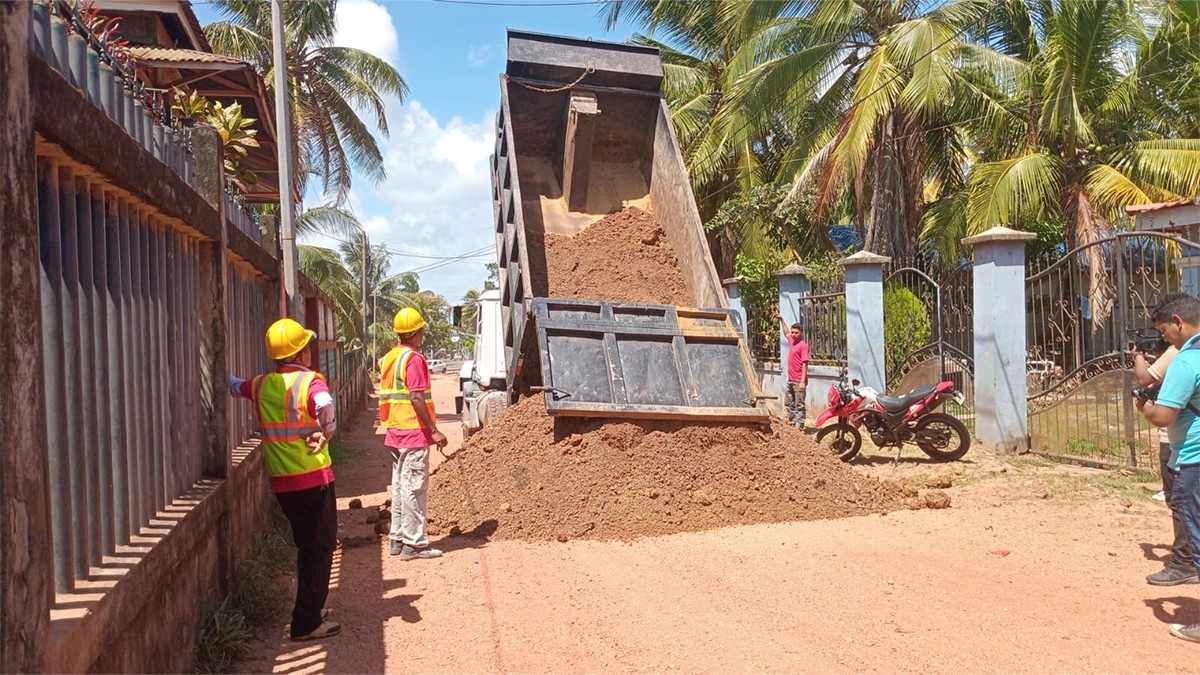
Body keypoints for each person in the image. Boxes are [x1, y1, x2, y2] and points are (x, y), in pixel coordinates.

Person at [230, 318, 340, 642]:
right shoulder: (311, 383)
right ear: (303, 354)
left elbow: (235, 385)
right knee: (318, 549)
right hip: (313, 479)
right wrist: (327, 430)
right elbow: (325, 404)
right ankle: (306, 622)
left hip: (283, 484)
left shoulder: (263, 385)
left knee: (307, 546)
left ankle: (312, 608)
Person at [1136, 293, 1200, 642]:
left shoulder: (1186, 361)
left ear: (1178, 321)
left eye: (1165, 331)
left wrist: (1142, 406)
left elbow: (1162, 415)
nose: (1164, 339)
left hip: (1194, 458)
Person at [379, 307, 449, 560]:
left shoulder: (389, 358)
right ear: (418, 332)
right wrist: (434, 431)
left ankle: (397, 538)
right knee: (414, 488)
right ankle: (415, 544)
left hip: (395, 431)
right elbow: (416, 397)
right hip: (413, 433)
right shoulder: (414, 359)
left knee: (399, 486)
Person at [1133, 338, 1195, 586]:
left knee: (1180, 503)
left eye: (1163, 329)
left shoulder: (1182, 354)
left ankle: (1184, 562)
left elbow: (1144, 379)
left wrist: (1137, 357)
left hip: (1183, 445)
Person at [781, 320, 809, 430]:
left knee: (799, 405)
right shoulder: (792, 341)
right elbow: (786, 332)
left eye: (796, 333)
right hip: (791, 379)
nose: (793, 334)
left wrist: (802, 382)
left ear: (801, 333)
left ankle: (800, 426)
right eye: (793, 332)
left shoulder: (803, 345)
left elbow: (805, 364)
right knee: (789, 403)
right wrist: (782, 320)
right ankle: (792, 423)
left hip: (798, 381)